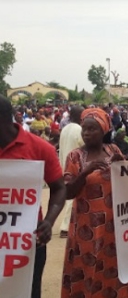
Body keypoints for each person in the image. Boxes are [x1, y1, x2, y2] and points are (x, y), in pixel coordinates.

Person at [61, 108, 128, 297]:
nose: (86, 133)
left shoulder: (113, 150)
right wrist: (85, 172)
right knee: (86, 266)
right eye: (84, 129)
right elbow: (67, 193)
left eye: (92, 129)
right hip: (86, 227)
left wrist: (122, 166)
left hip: (113, 224)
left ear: (103, 130)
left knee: (113, 266)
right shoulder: (75, 157)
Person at [0, 95, 66, 298]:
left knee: (28, 291)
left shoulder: (40, 148)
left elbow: (59, 188)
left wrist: (49, 220)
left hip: (27, 237)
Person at [58, 105, 85, 238]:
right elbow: (83, 146)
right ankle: (65, 227)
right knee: (72, 197)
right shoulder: (79, 129)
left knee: (67, 195)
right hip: (75, 165)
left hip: (64, 164)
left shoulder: (65, 129)